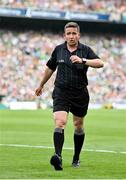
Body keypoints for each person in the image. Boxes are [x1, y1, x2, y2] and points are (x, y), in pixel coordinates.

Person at [35, 22, 104, 171]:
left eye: (74, 33)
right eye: (69, 34)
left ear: (78, 35)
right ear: (64, 35)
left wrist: (83, 61)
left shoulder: (85, 50)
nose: (71, 36)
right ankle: (57, 157)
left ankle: (76, 158)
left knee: (78, 126)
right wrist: (41, 85)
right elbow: (50, 68)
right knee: (60, 122)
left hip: (80, 93)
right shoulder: (58, 50)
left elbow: (100, 63)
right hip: (61, 91)